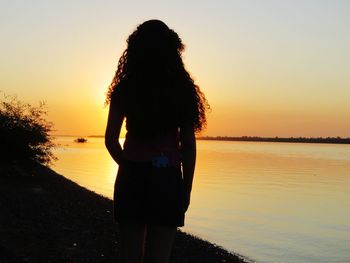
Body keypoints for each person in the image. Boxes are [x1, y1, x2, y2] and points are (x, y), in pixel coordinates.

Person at [105, 19, 209, 263]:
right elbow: (189, 146)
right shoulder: (181, 90)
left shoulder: (125, 89)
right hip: (168, 180)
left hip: (132, 177)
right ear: (172, 50)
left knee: (130, 257)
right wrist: (186, 187)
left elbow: (111, 140)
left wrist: (129, 165)